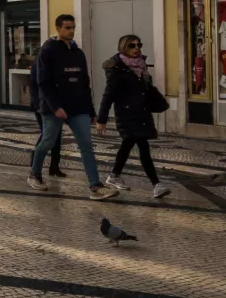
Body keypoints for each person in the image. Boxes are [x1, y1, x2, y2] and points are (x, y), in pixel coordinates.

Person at [30, 14, 117, 200]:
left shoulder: (78, 53)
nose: (71, 31)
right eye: (67, 27)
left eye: (73, 27)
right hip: (55, 108)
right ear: (58, 28)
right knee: (47, 142)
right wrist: (55, 107)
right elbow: (43, 83)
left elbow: (85, 83)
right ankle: (34, 173)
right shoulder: (47, 52)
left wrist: (91, 110)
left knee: (86, 145)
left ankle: (95, 185)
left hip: (78, 107)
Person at [97, 35, 171, 199]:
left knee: (128, 144)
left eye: (139, 44)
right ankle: (156, 184)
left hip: (141, 111)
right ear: (123, 47)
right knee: (143, 147)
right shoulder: (116, 68)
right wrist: (101, 119)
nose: (136, 48)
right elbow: (108, 95)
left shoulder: (141, 65)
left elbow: (146, 88)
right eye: (132, 45)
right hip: (126, 113)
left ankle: (114, 175)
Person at [29, 56, 66, 178]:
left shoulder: (50, 62)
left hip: (53, 104)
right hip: (42, 105)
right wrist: (37, 104)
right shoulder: (39, 64)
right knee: (47, 135)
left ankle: (54, 166)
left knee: (56, 134)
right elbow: (35, 86)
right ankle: (34, 164)